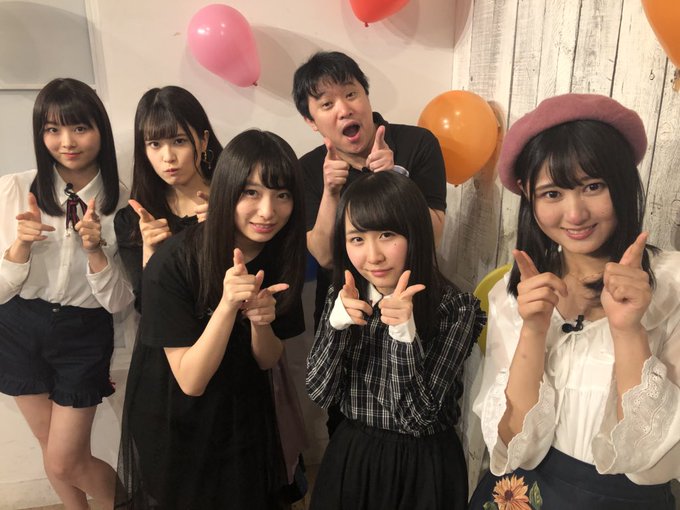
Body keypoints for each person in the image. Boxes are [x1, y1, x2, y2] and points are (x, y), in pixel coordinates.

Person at [469, 94, 679, 509]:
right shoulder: (516, 292)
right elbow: (513, 446)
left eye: (593, 186)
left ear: (621, 184)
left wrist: (628, 329)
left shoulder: (672, 285)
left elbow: (652, 457)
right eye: (552, 193)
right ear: (529, 198)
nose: (576, 213)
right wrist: (533, 329)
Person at [115, 129, 307, 509]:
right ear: (226, 192)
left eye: (282, 195)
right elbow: (191, 380)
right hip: (177, 417)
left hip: (244, 409)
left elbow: (267, 359)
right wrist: (226, 306)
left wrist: (261, 321)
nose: (267, 211)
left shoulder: (282, 255)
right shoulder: (174, 261)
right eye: (251, 192)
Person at [306, 171, 484, 510]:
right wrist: (335, 328)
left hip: (424, 466)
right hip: (353, 454)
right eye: (357, 238)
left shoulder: (455, 308)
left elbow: (415, 417)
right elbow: (320, 392)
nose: (373, 255)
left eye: (387, 235)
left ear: (414, 233)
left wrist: (403, 335)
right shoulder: (345, 297)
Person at [293, 50, 448, 435]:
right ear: (311, 121)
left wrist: (397, 179)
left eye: (351, 94)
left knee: (419, 410)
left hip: (414, 299)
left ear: (366, 96)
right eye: (326, 104)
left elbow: (432, 236)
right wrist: (331, 192)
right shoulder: (309, 168)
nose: (344, 109)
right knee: (343, 414)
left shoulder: (416, 143)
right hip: (346, 302)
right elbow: (324, 256)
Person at [0, 78, 133, 509]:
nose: (67, 142)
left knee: (66, 460)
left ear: (100, 131)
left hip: (83, 331)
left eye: (79, 127)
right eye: (52, 129)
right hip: (19, 325)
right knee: (49, 448)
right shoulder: (14, 190)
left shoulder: (124, 203)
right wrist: (19, 248)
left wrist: (96, 252)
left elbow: (119, 301)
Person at [114, 85, 222, 312]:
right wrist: (150, 252)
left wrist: (222, 232)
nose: (168, 157)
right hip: (168, 334)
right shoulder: (135, 220)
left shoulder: (235, 201)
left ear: (203, 141)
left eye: (179, 141)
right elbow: (147, 308)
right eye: (155, 144)